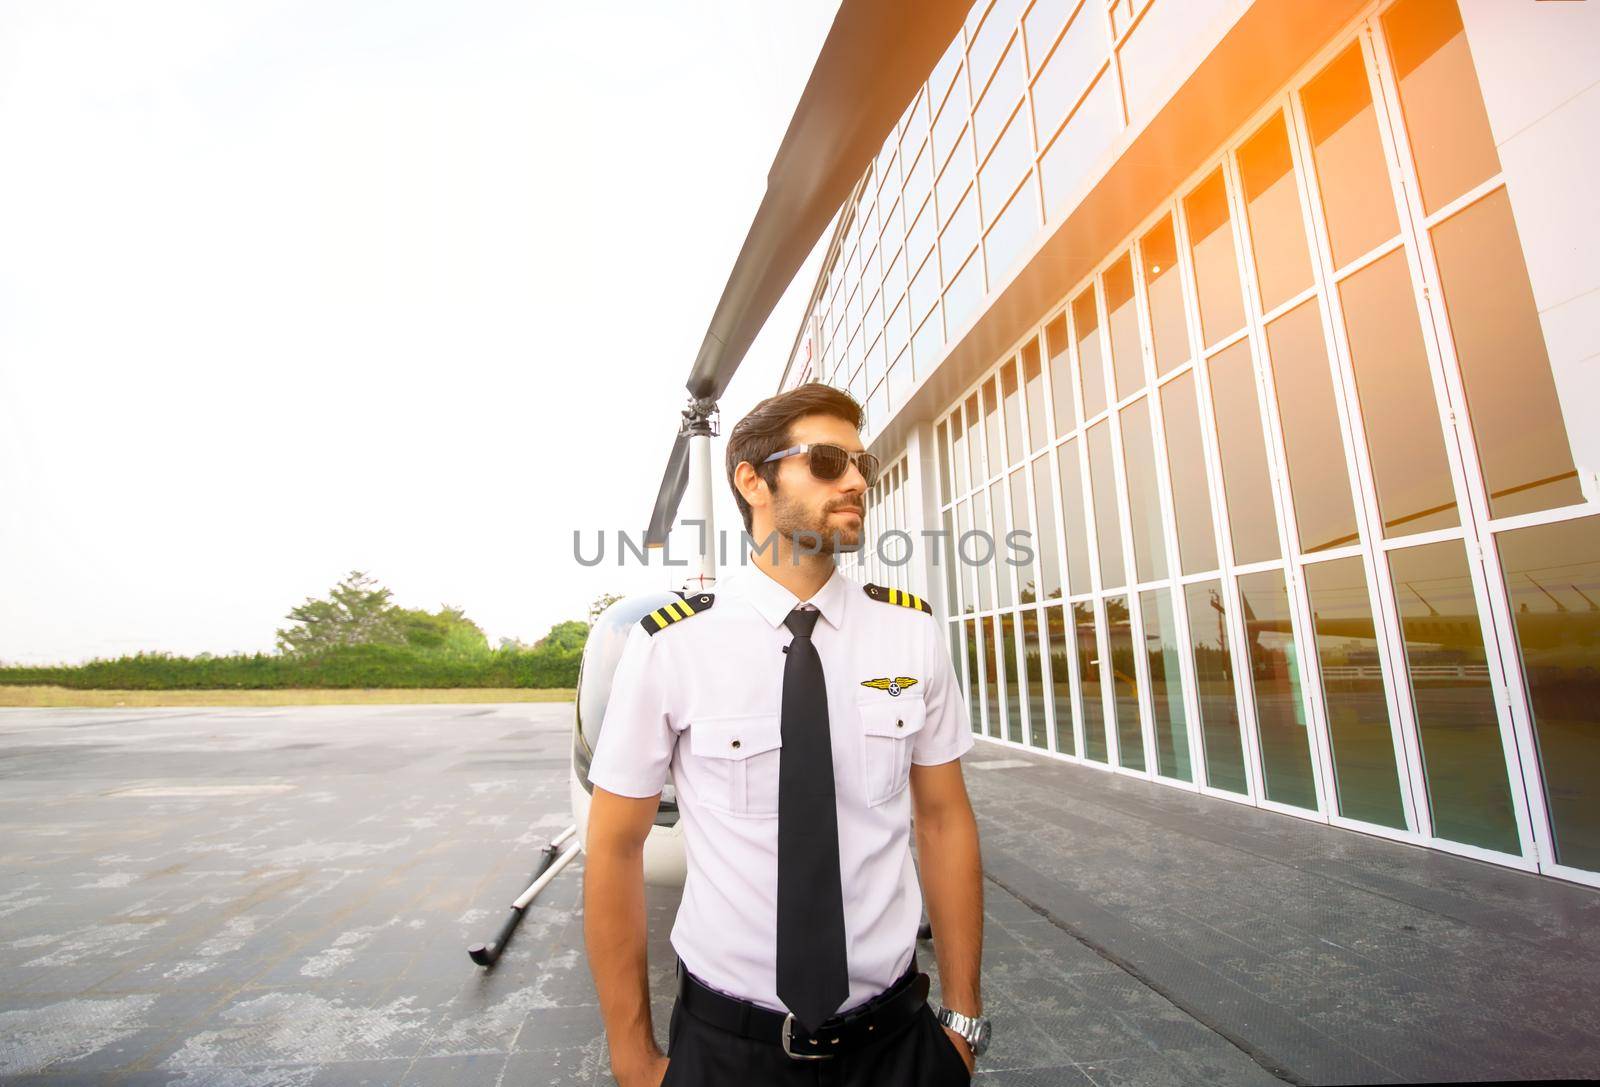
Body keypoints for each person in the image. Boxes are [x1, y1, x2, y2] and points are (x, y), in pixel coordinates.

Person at [583, 383, 988, 1086]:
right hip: (728, 1050)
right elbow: (614, 845)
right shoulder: (674, 645)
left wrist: (962, 1020)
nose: (859, 480)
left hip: (897, 1043)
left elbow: (945, 818)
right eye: (828, 461)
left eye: (865, 465)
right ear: (752, 480)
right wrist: (632, 1053)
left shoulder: (911, 632)